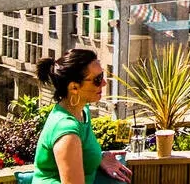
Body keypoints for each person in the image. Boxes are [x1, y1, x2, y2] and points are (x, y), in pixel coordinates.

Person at [34, 48, 132, 184]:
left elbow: (81, 153)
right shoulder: (67, 132)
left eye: (102, 75)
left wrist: (99, 158)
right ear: (74, 87)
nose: (104, 83)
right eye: (97, 79)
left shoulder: (82, 111)